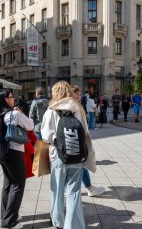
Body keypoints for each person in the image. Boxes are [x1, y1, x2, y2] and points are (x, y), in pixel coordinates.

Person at [41, 81, 96, 229]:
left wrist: (57, 140)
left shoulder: (51, 110)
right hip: (76, 155)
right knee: (74, 192)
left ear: (55, 93)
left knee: (57, 191)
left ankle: (58, 221)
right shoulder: (78, 109)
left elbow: (45, 135)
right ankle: (72, 225)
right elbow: (85, 132)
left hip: (58, 156)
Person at [0, 90, 34, 229]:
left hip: (2, 153)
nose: (13, 99)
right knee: (18, 184)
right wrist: (21, 113)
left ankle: (6, 215)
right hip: (15, 152)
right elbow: (31, 125)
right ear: (5, 100)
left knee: (8, 184)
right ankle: (9, 221)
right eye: (11, 97)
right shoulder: (15, 114)